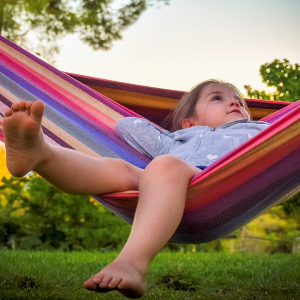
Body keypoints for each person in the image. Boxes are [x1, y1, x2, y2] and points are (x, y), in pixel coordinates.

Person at [2, 79, 269, 298]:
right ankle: (41, 154)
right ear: (188, 121)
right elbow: (127, 126)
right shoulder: (177, 139)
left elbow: (283, 146)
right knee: (124, 169)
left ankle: (132, 262)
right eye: (217, 98)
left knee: (164, 165)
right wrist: (170, 134)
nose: (234, 102)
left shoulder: (261, 129)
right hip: (164, 185)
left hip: (220, 184)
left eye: (239, 101)